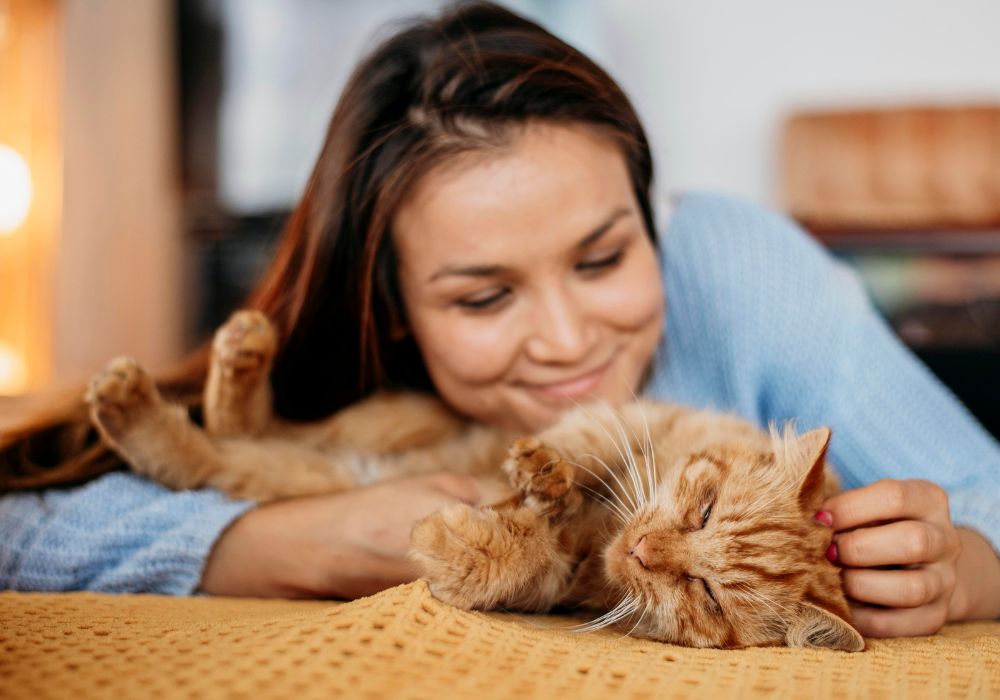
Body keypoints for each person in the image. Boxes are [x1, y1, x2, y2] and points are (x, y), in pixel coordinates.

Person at [1, 2, 997, 638]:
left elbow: (983, 493)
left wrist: (963, 569)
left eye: (603, 257)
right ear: (388, 308)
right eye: (483, 296)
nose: (566, 339)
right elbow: (21, 526)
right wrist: (287, 540)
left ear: (653, 221)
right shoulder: (344, 359)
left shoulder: (736, 269)